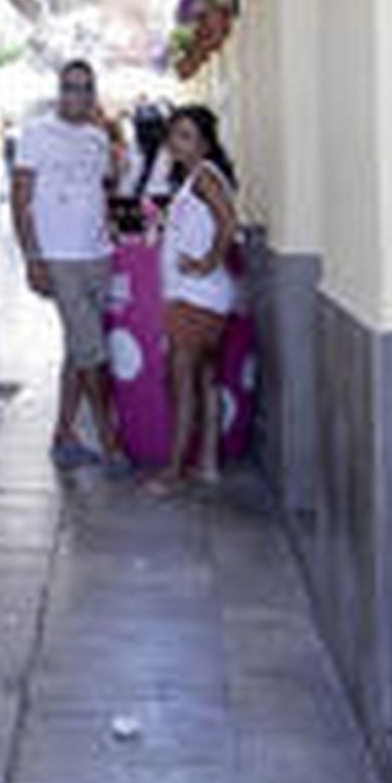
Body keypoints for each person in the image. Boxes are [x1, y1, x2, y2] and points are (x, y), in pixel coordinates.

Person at [10, 59, 127, 471]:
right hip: (59, 257)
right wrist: (32, 257)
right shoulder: (36, 133)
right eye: (71, 87)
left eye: (86, 88)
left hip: (98, 254)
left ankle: (63, 434)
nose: (78, 95)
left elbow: (107, 188)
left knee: (79, 348)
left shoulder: (97, 137)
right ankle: (108, 439)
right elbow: (20, 199)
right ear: (59, 90)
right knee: (91, 349)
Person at [147, 104, 239, 495]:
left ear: (205, 142)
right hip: (197, 296)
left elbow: (228, 222)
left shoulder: (203, 176)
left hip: (197, 297)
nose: (176, 143)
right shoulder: (195, 177)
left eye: (186, 136)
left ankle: (174, 471)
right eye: (174, 135)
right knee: (204, 379)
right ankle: (208, 463)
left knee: (180, 381)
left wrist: (207, 262)